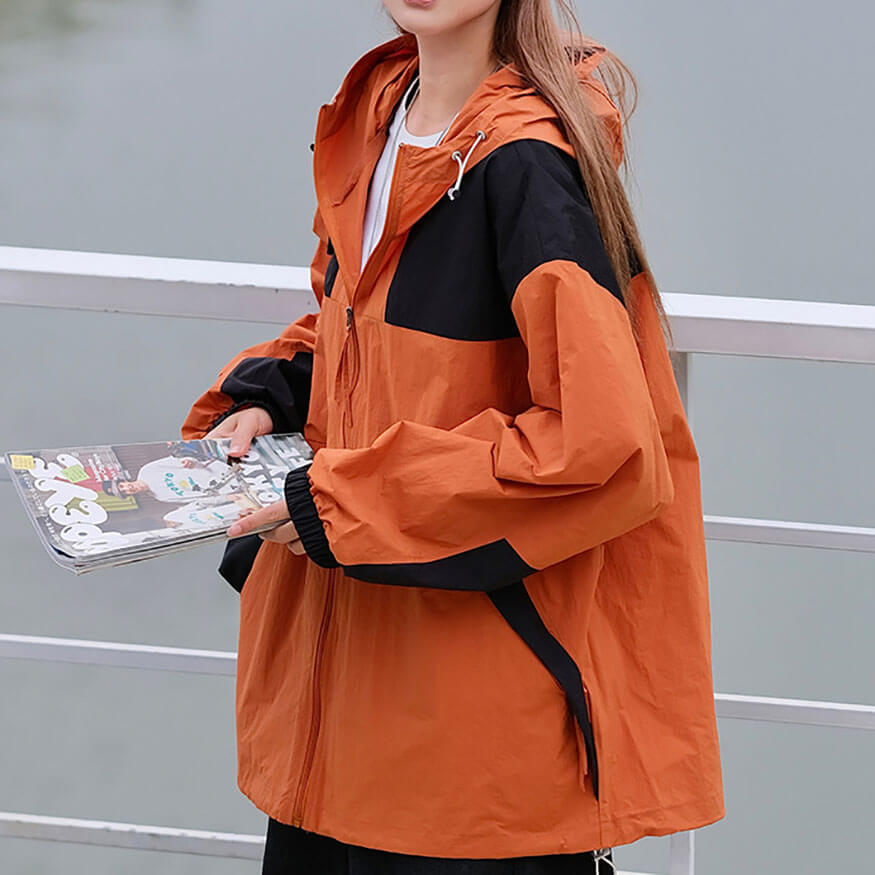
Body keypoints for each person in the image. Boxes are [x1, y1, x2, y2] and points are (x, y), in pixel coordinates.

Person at [181, 1, 726, 872]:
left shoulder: (528, 166)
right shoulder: (379, 119)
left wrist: (343, 500)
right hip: (338, 714)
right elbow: (355, 330)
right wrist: (272, 397)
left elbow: (600, 440)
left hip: (471, 740)